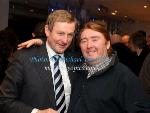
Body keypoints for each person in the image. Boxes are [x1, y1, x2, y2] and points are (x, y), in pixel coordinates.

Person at [19, 20, 150, 113]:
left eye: (95, 39)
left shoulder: (124, 77)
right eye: (84, 40)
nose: (89, 45)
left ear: (108, 44)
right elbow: (57, 49)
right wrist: (42, 44)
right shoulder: (76, 67)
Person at [0, 10, 79, 113]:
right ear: (47, 30)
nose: (65, 40)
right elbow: (4, 100)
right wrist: (36, 112)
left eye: (70, 35)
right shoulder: (23, 58)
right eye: (60, 33)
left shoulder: (74, 59)